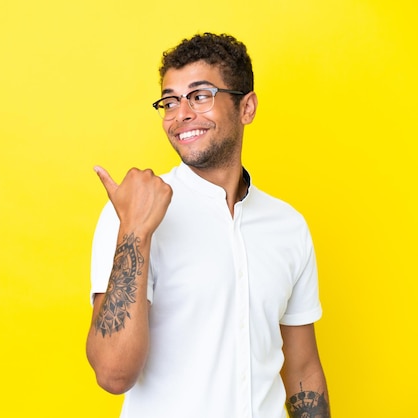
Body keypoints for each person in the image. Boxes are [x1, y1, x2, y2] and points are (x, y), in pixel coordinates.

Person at [85, 32, 330, 418]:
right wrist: (135, 230)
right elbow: (114, 374)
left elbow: (303, 369)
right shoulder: (132, 212)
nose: (180, 114)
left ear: (246, 107)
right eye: (170, 101)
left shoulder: (288, 226)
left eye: (200, 96)